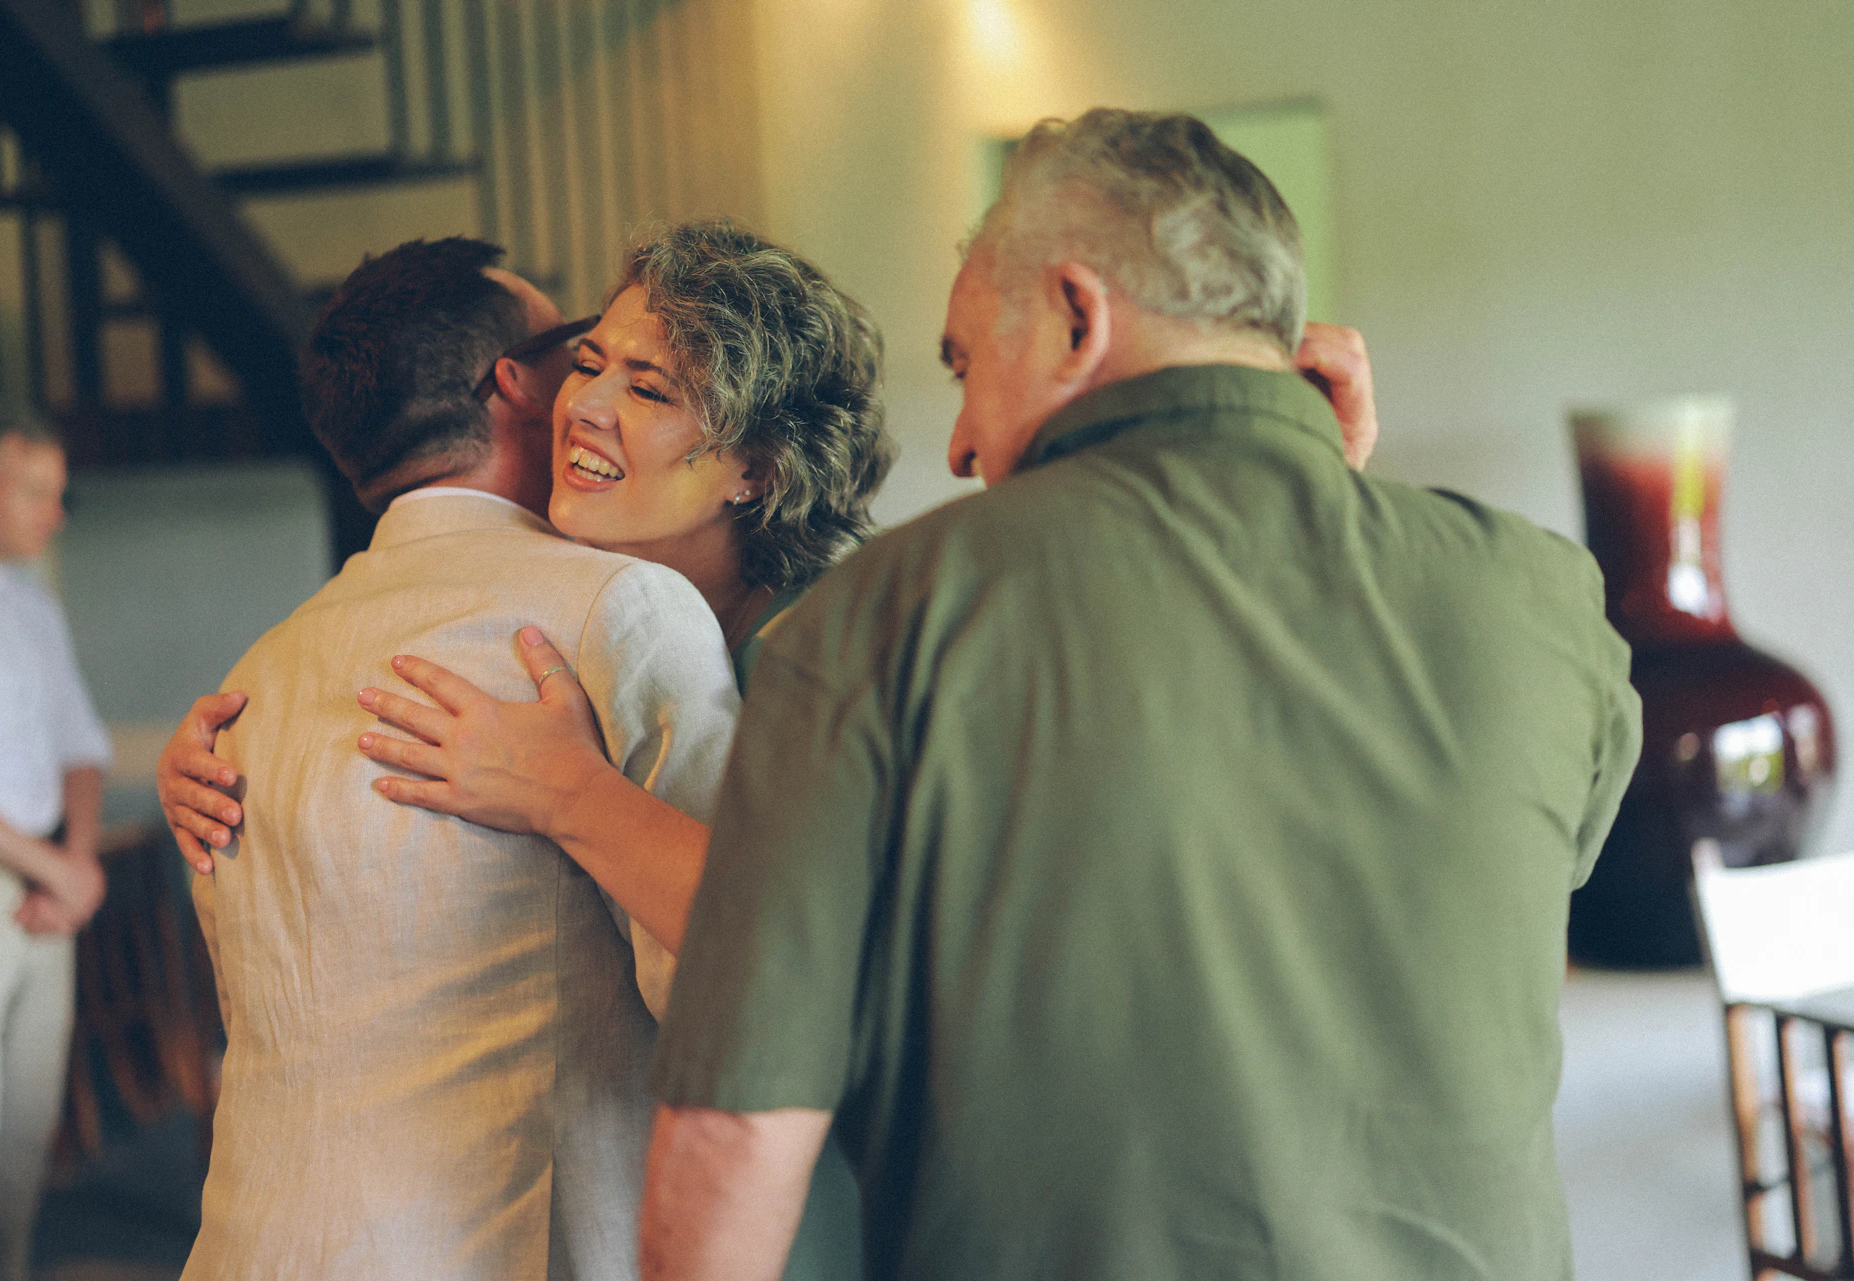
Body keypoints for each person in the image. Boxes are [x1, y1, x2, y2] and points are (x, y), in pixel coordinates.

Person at [163, 221, 1381, 1279]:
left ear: (755, 467)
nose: (584, 403)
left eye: (652, 389)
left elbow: (862, 955)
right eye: (588, 360)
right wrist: (256, 769)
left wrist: (571, 796)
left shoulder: (843, 646)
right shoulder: (590, 636)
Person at [618, 108, 1639, 1281]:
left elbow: (737, 1137)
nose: (957, 443)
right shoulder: (1543, 600)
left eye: (962, 363)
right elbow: (1492, 876)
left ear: (1073, 315)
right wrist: (1324, 501)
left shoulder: (880, 624)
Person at [169, 236, 743, 1281]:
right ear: (516, 386)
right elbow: (731, 989)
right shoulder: (613, 611)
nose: (590, 389)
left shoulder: (255, 675)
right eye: (575, 354)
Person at [0, 408, 110, 1281]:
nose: (56, 513)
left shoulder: (35, 605)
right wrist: (55, 869)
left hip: (52, 886)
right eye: (36, 491)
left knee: (23, 1134)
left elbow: (79, 743)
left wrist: (74, 860)